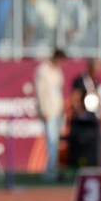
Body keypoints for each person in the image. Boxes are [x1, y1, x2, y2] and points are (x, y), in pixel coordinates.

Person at [31, 48, 66, 181]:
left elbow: (59, 91)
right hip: (48, 112)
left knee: (55, 142)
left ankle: (52, 170)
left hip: (57, 111)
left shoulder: (57, 71)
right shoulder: (43, 70)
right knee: (51, 142)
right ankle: (50, 172)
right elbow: (40, 92)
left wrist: (62, 109)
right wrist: (43, 109)